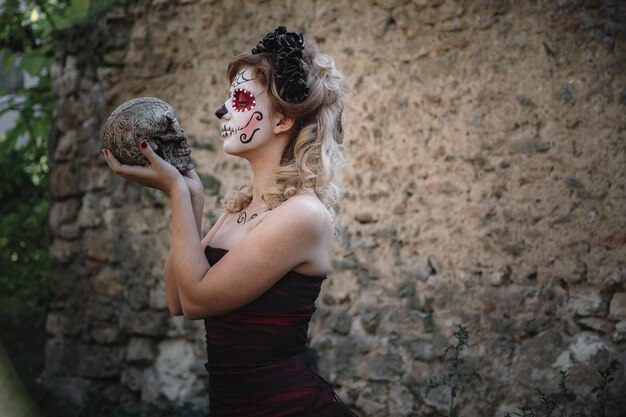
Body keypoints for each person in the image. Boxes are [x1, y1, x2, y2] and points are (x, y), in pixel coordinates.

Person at [102, 26, 359, 417]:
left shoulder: (302, 214)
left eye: (239, 98)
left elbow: (196, 301)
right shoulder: (240, 206)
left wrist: (175, 193)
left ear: (282, 121)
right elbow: (176, 296)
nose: (222, 110)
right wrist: (191, 195)